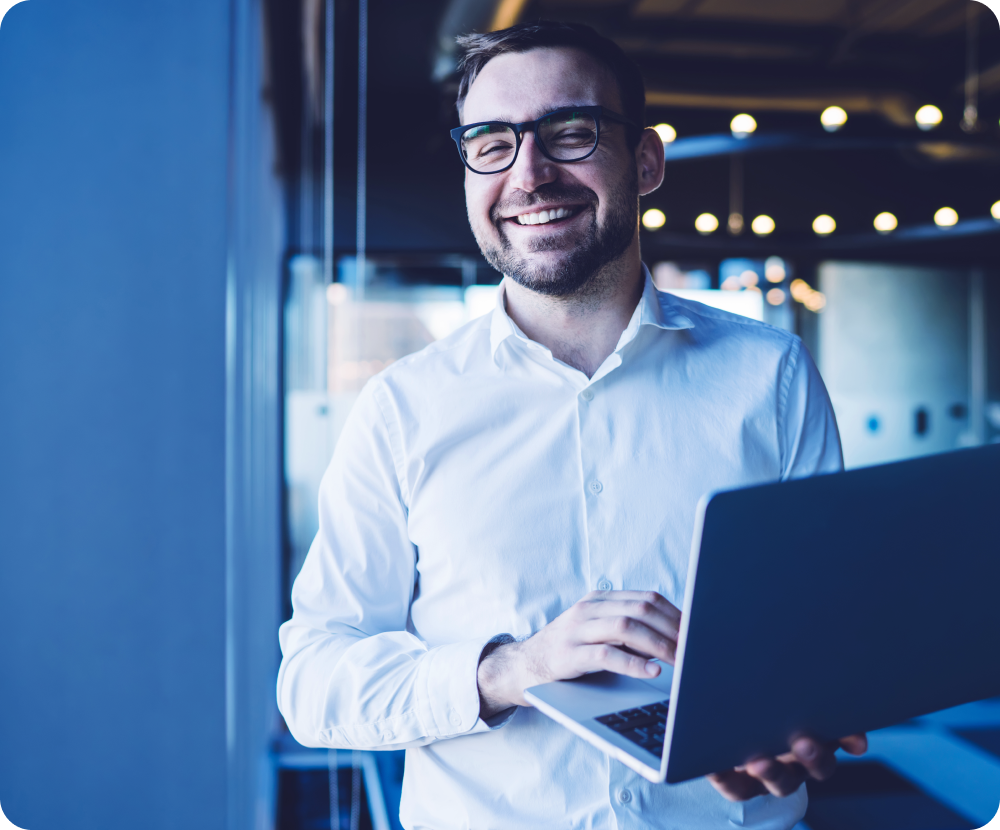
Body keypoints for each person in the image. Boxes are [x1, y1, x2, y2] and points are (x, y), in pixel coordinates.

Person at [277, 20, 866, 830]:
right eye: (492, 143)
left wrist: (802, 718)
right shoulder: (402, 409)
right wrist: (512, 670)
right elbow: (315, 682)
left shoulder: (771, 376)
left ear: (646, 160)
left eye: (570, 133)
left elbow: (822, 632)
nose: (530, 173)